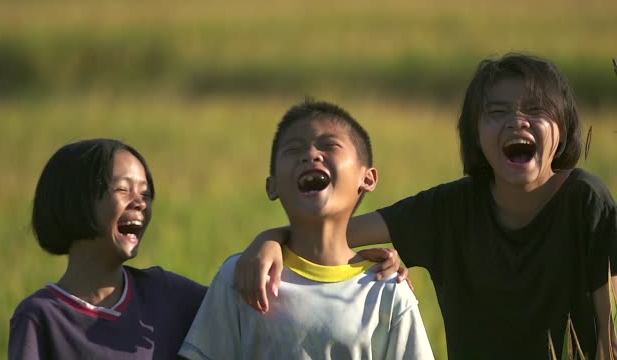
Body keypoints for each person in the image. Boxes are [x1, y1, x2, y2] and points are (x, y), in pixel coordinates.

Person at [234, 54, 617, 359]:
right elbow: (331, 235)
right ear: (475, 132)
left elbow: (611, 334)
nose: (517, 122)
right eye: (497, 113)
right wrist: (271, 239)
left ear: (563, 127)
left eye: (535, 111)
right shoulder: (450, 210)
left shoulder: (586, 202)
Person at [178, 99, 434, 359]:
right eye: (293, 149)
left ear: (367, 178)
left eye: (329, 145)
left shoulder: (386, 290)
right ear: (273, 186)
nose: (311, 154)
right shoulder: (243, 275)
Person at [8, 139, 208, 359]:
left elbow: (240, 306)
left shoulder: (167, 294)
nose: (140, 203)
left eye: (145, 194)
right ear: (76, 200)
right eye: (123, 189)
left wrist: (254, 249)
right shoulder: (41, 317)